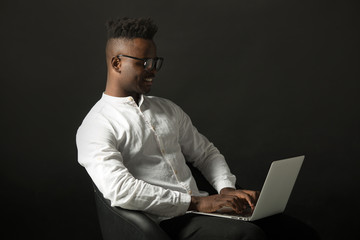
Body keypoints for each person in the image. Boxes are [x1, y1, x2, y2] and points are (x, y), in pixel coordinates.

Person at [76, 17, 319, 240]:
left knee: (298, 232)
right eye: (145, 63)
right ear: (117, 63)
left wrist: (227, 190)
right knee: (247, 236)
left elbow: (205, 153)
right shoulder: (96, 125)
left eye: (156, 62)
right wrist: (197, 204)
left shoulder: (168, 109)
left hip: (207, 211)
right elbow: (120, 190)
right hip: (165, 223)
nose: (153, 70)